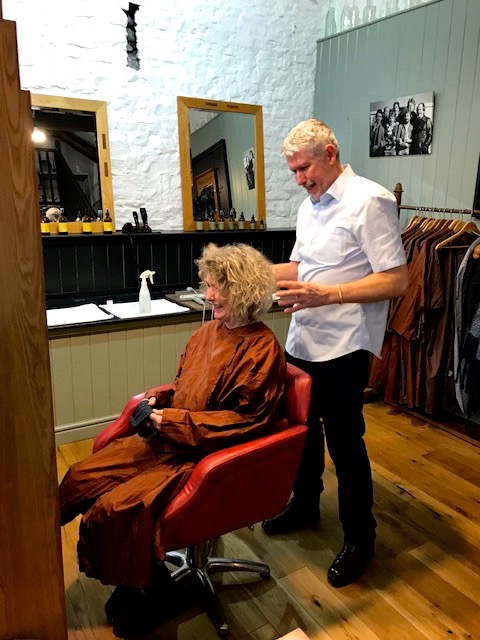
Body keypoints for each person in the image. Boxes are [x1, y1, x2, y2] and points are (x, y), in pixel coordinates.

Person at [59, 242, 287, 638]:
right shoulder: (205, 334)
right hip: (169, 437)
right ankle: (137, 580)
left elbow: (245, 421)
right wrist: (158, 401)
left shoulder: (262, 349)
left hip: (206, 454)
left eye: (218, 288)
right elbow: (182, 386)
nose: (208, 295)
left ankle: (160, 592)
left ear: (244, 291)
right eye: (208, 285)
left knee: (118, 506)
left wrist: (174, 422)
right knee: (81, 477)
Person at [261, 119, 408, 589]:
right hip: (303, 338)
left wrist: (328, 295)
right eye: (293, 171)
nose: (299, 179)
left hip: (345, 345)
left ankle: (361, 538)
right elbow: (302, 267)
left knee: (345, 443)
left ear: (329, 153)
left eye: (303, 168)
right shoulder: (310, 207)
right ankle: (305, 505)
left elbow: (396, 279)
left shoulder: (371, 200)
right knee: (301, 432)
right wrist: (246, 271)